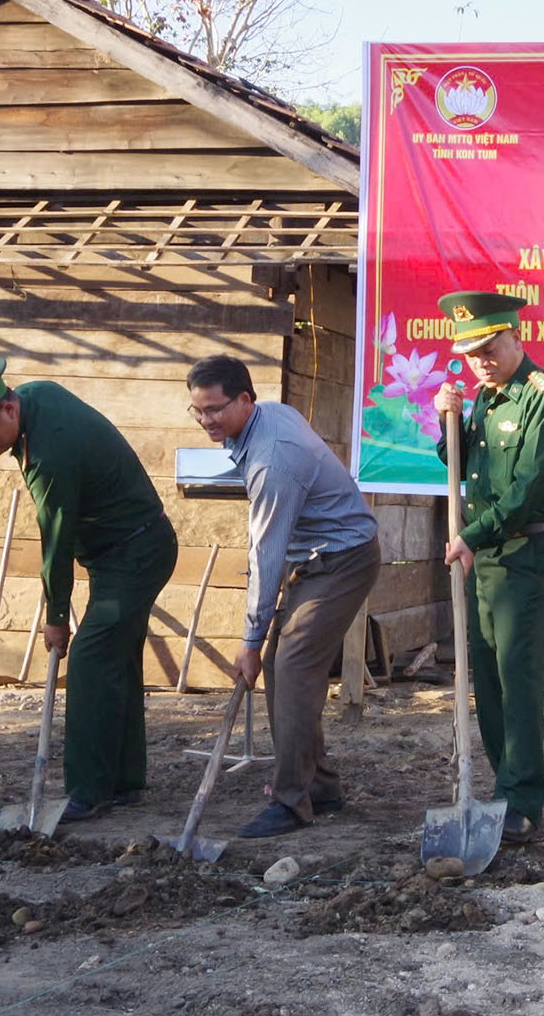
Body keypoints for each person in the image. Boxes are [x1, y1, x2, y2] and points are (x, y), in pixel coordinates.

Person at [0, 357, 177, 823]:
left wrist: (56, 617)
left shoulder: (48, 455)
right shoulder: (38, 397)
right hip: (125, 547)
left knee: (89, 658)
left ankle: (88, 791)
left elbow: (54, 543)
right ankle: (124, 781)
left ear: (7, 409)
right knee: (116, 657)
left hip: (135, 553)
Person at [186, 355, 381, 838]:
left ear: (246, 400)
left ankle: (292, 801)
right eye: (198, 411)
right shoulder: (266, 417)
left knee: (291, 666)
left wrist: (249, 642)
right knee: (282, 668)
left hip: (343, 558)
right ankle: (321, 787)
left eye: (216, 410)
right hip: (316, 557)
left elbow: (266, 556)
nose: (208, 421)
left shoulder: (273, 461)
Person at [431, 291, 544, 845]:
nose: (482, 362)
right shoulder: (483, 400)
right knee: (486, 675)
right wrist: (446, 423)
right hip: (485, 554)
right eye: (473, 354)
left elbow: (528, 488)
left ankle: (523, 800)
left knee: (518, 676)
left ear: (517, 337)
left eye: (491, 349)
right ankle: (501, 787)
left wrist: (470, 534)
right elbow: (465, 466)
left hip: (527, 554)